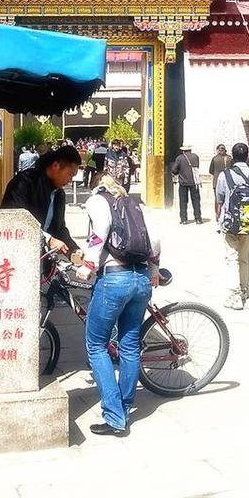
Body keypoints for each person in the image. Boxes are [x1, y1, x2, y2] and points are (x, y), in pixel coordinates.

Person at [76, 174, 160, 436]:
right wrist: (154, 270)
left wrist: (88, 265)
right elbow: (154, 240)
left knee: (96, 344)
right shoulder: (133, 204)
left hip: (115, 278)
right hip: (141, 279)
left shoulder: (97, 201)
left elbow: (99, 232)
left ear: (98, 186)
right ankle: (123, 406)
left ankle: (114, 416)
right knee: (130, 344)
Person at [1, 145, 81, 256]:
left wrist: (74, 251)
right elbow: (16, 220)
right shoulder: (24, 182)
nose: (70, 180)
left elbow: (60, 229)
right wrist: (49, 239)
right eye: (70, 174)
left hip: (42, 257)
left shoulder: (59, 194)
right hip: (16, 254)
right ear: (55, 166)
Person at [215, 143, 249, 309]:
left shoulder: (224, 175)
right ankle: (244, 289)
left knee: (231, 258)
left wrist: (218, 218)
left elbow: (219, 199)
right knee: (244, 258)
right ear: (248, 155)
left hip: (230, 222)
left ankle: (234, 297)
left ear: (233, 156)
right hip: (247, 222)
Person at [171, 143, 202, 224]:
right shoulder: (195, 156)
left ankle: (184, 219)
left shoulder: (179, 158)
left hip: (183, 182)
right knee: (196, 201)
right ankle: (198, 218)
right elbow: (197, 167)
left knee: (183, 201)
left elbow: (174, 170)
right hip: (194, 182)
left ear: (183, 151)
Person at [209, 144, 232, 220]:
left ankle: (217, 215)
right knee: (228, 198)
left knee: (217, 199)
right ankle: (227, 214)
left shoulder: (215, 159)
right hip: (228, 181)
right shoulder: (230, 158)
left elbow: (211, 171)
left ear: (218, 150)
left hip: (217, 182)